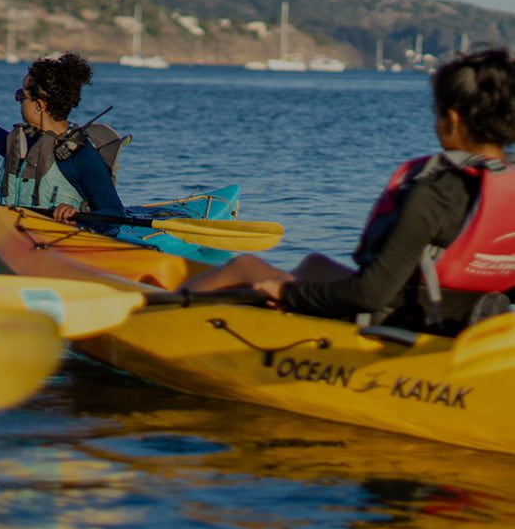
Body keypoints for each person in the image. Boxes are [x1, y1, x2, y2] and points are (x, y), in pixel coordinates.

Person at [182, 47, 515, 335]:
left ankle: (148, 322)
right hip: (465, 321)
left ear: (453, 120)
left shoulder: (436, 192)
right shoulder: (505, 183)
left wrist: (286, 294)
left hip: (405, 324)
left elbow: (371, 295)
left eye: (436, 113)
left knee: (246, 268)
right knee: (313, 265)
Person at [0, 52, 126, 224]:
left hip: (59, 241)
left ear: (39, 106)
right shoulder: (29, 141)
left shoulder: (80, 155)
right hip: (10, 234)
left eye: (22, 96)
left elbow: (115, 211)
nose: (18, 100)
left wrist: (76, 216)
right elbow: (4, 144)